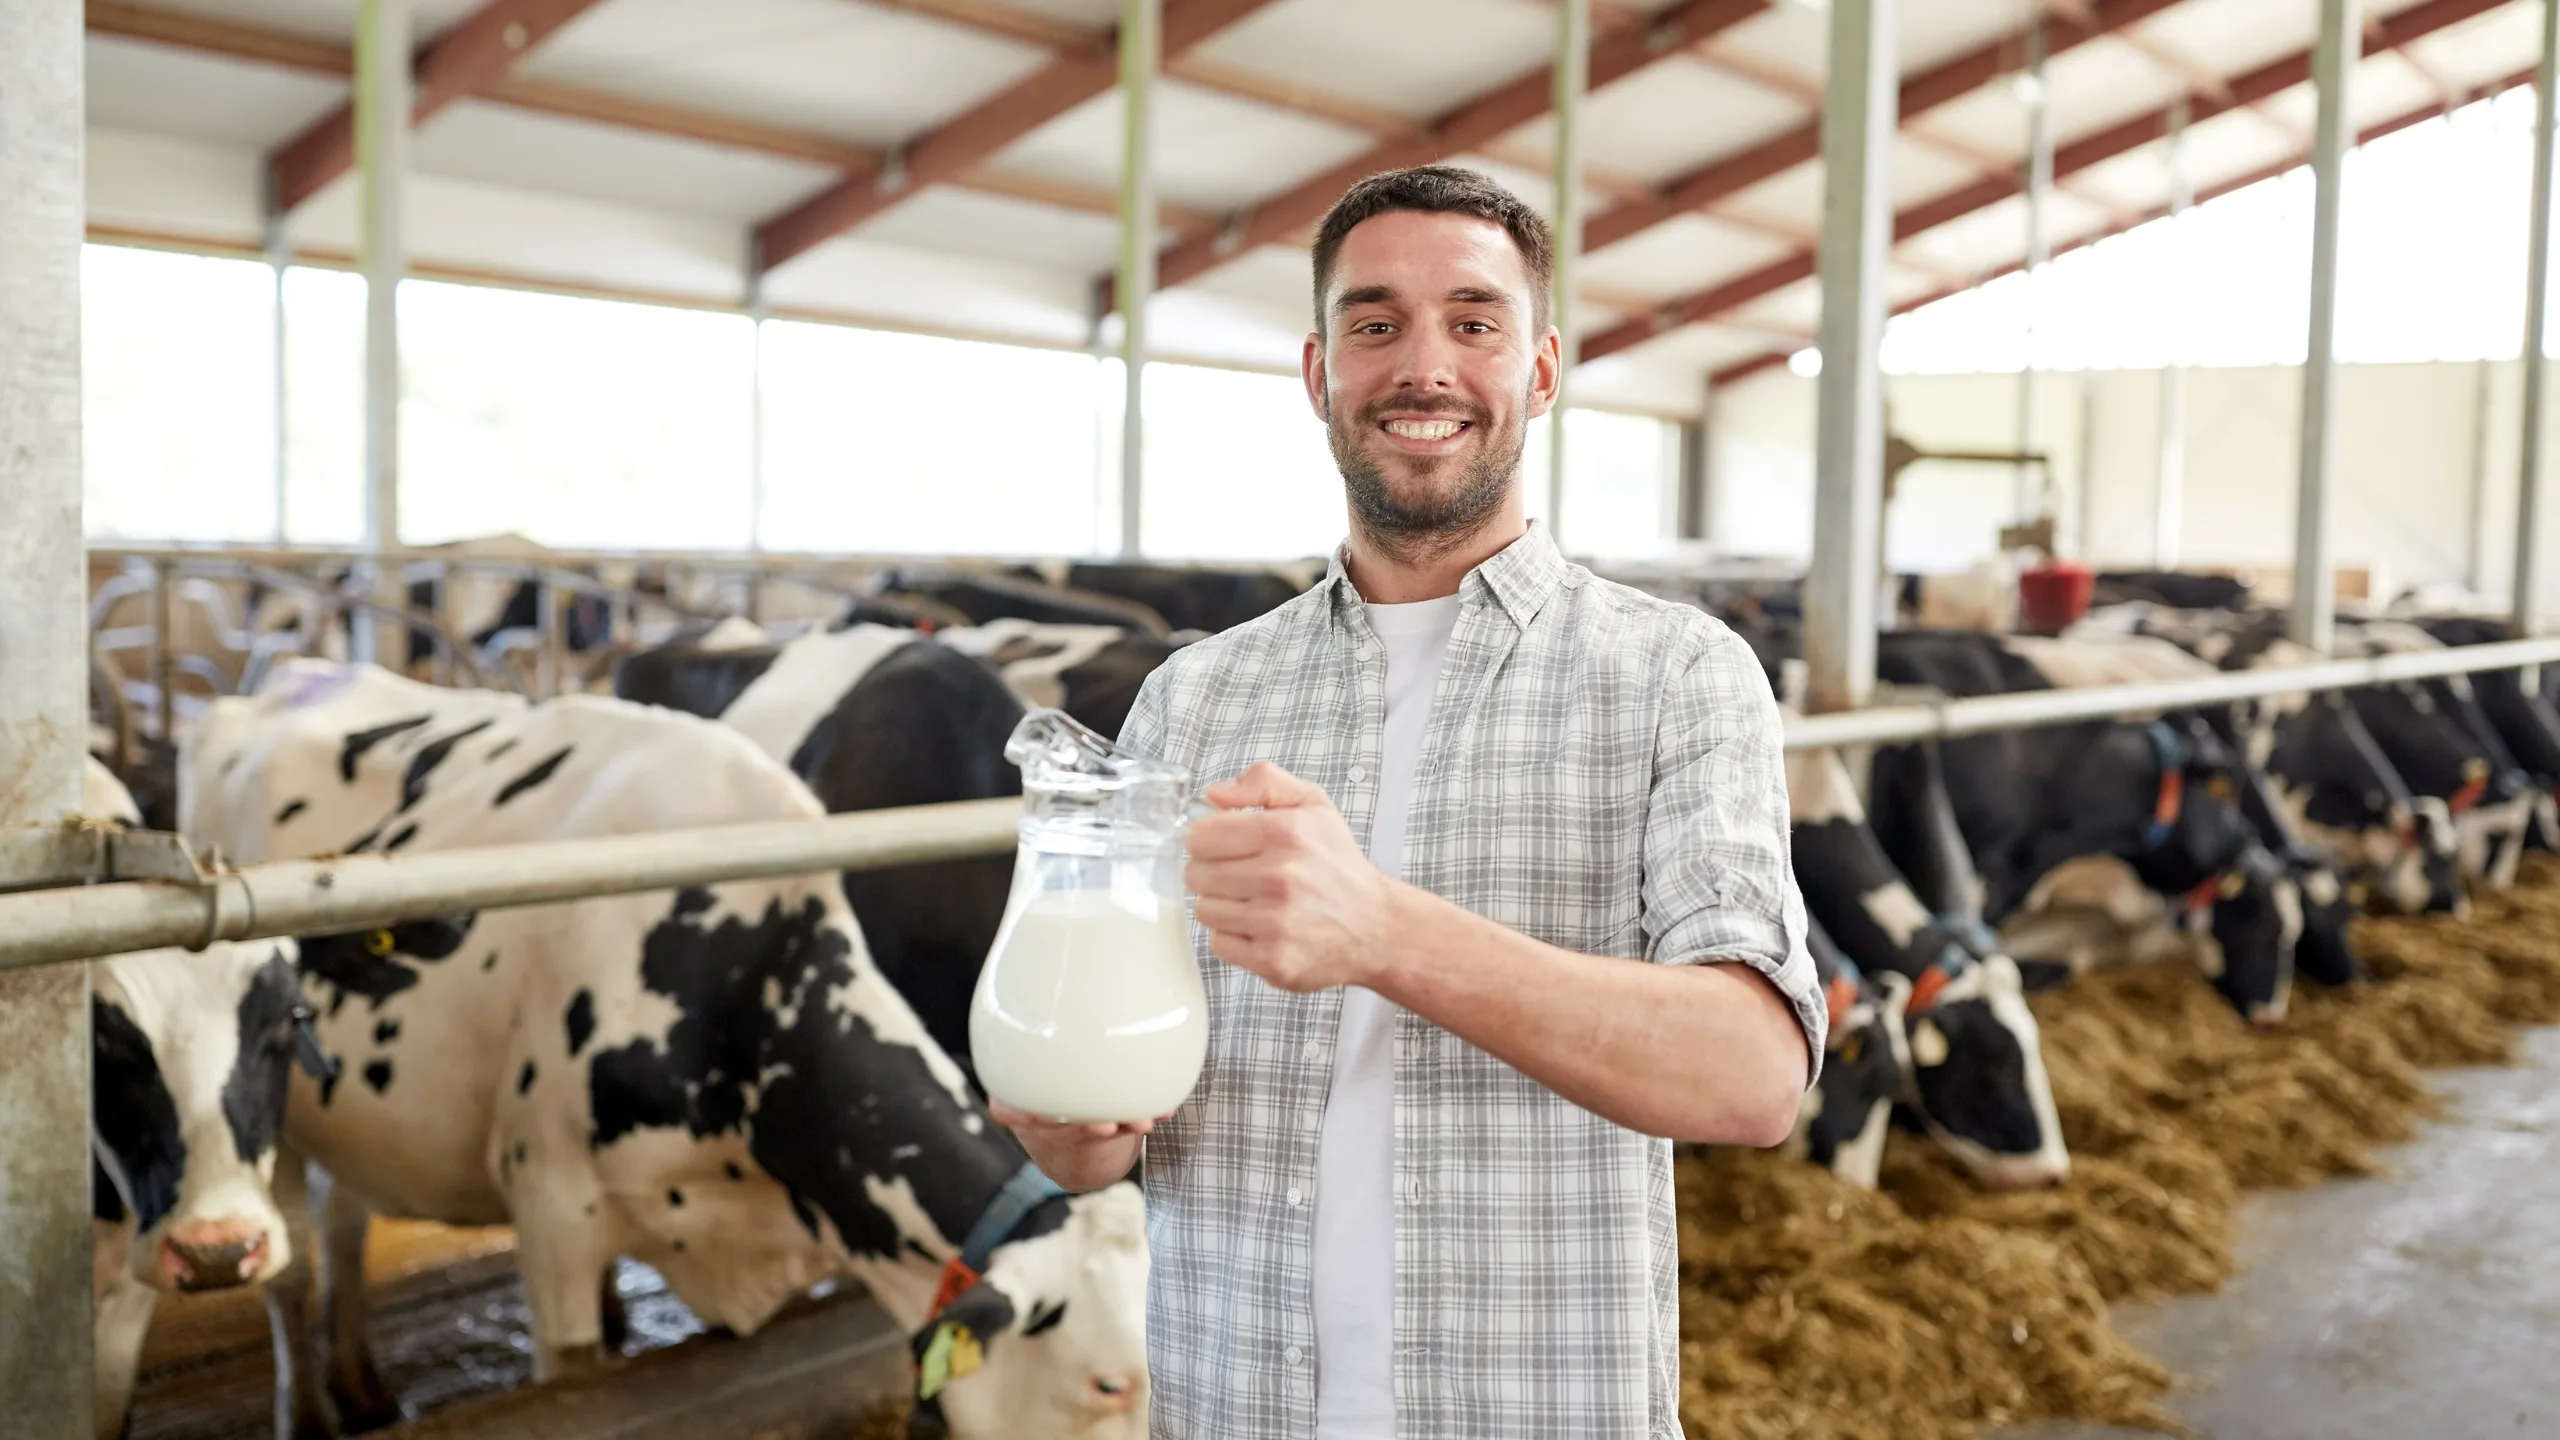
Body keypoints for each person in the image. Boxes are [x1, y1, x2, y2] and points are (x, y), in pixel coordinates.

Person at [991, 165, 1824, 1440]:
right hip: (1231, 1405)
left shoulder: (1676, 675)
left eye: (1473, 323)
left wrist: (1381, 931)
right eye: (1375, 325)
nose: (1421, 367)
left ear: (1540, 371)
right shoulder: (1193, 699)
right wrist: (1075, 1128)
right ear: (1320, 372)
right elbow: (1115, 1129)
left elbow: (1754, 1076)